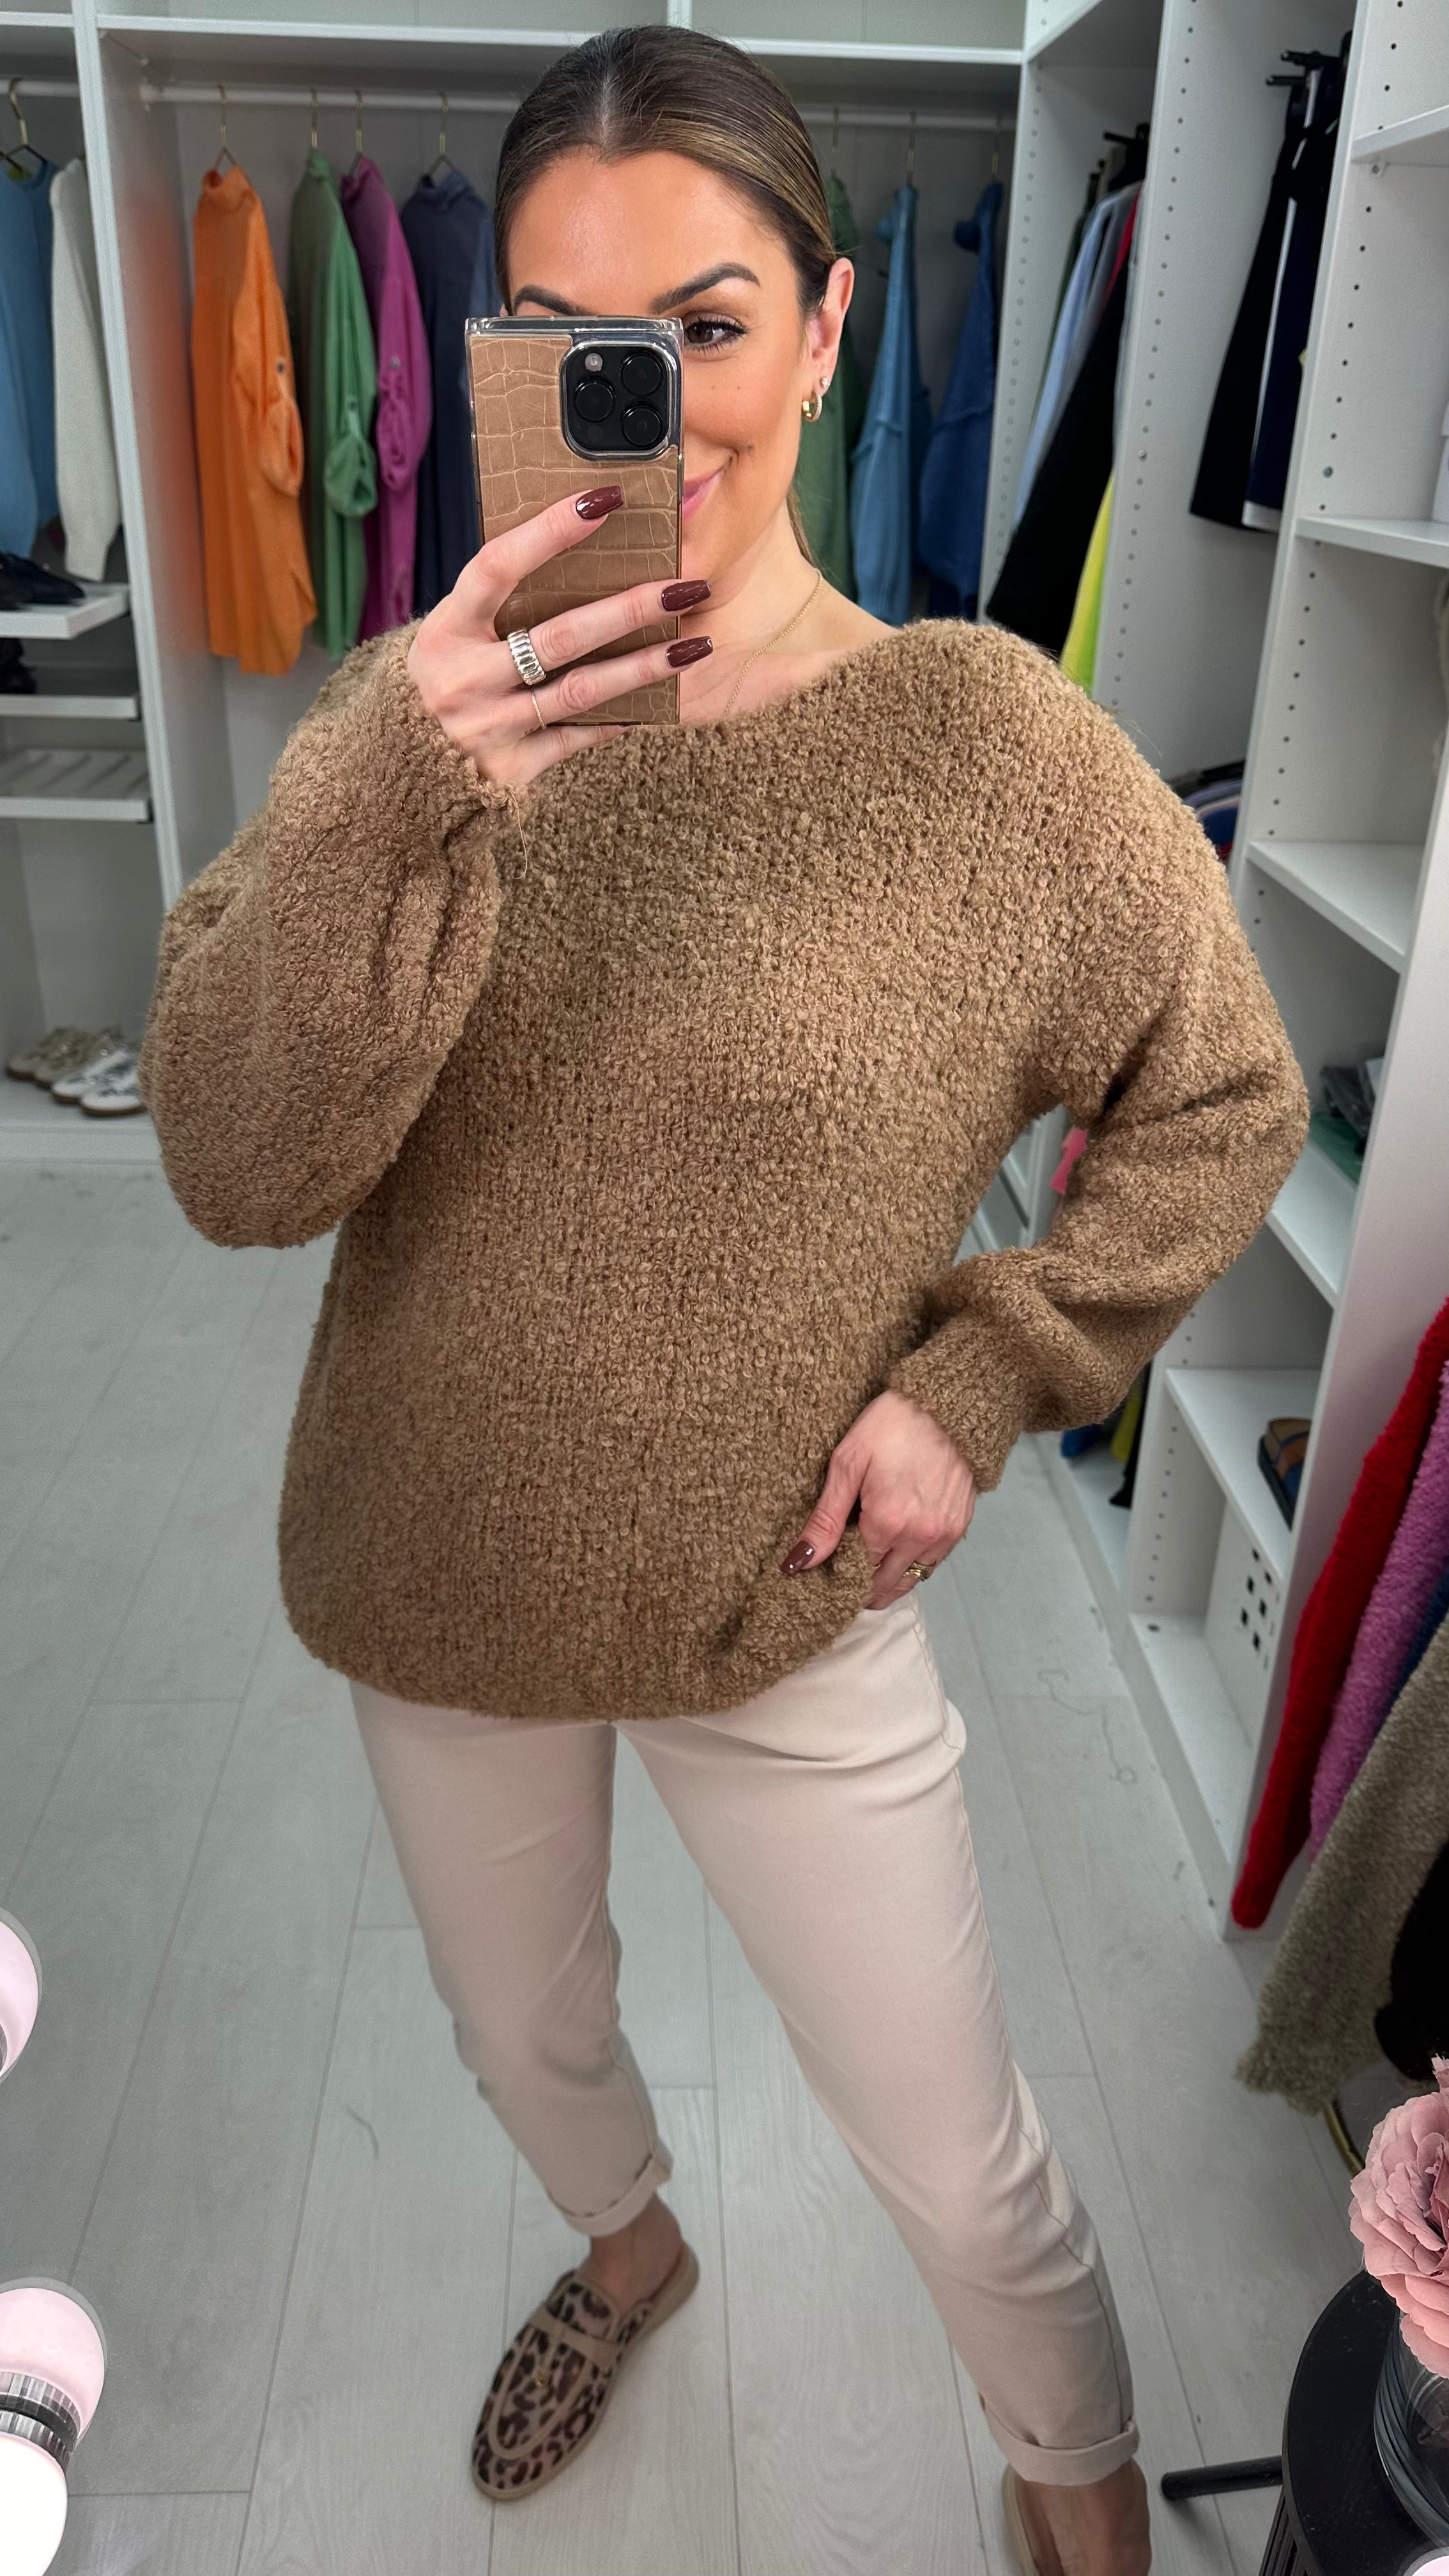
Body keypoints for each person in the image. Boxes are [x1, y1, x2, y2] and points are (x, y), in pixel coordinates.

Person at [136, 27, 1309, 2574]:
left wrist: (984, 1378)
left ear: (831, 320)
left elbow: (1226, 1095)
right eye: (573, 339)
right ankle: (628, 2248)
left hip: (788, 1592)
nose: (646, 400)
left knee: (958, 2150)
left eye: (706, 323)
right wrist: (396, 793)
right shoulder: (407, 725)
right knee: (521, 2028)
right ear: (499, 363)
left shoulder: (980, 751)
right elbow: (235, 1165)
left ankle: (1081, 2491)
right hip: (439, 1558)